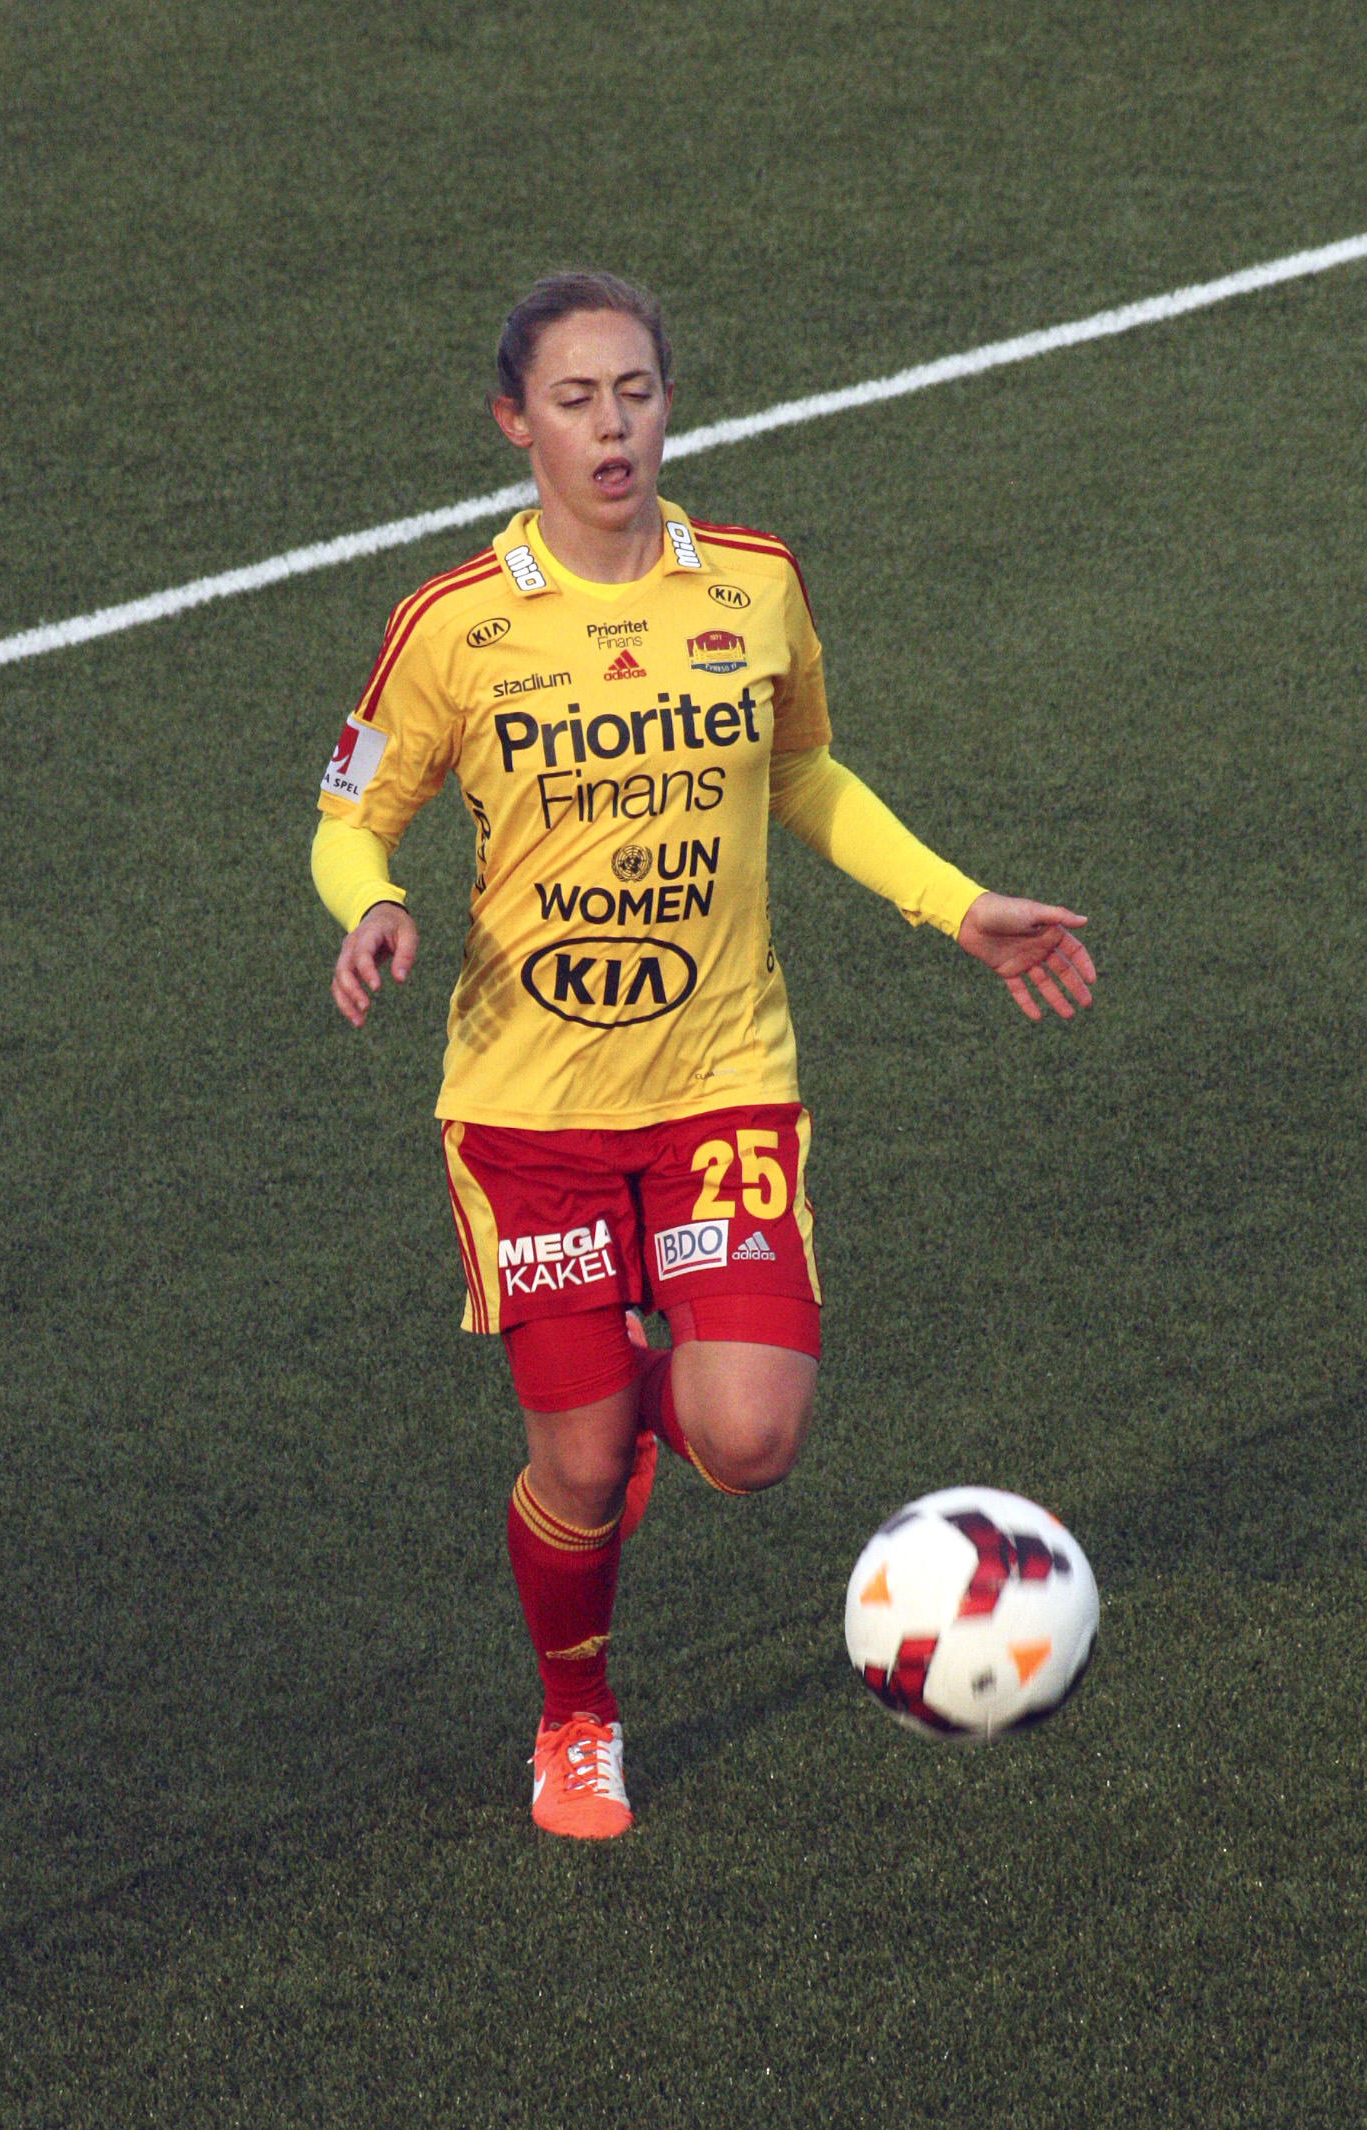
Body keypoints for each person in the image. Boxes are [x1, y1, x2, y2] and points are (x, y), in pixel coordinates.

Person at [311, 271, 1094, 1840]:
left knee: (746, 1438)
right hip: (526, 1115)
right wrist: (372, 904)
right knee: (580, 1469)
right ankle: (576, 1717)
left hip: (718, 1079)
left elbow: (802, 772)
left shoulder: (751, 583)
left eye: (637, 392)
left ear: (669, 401)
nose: (612, 427)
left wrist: (956, 907)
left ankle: (631, 1404)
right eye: (575, 400)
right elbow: (351, 812)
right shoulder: (452, 626)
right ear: (514, 423)